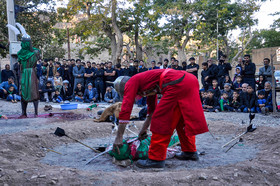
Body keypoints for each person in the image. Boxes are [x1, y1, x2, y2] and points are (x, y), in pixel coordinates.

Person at [113, 69, 208, 169]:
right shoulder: (146, 82)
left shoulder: (131, 82)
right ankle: (189, 151)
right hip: (189, 79)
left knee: (161, 119)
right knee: (181, 118)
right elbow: (151, 110)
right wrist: (143, 130)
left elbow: (125, 110)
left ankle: (156, 159)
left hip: (176, 82)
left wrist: (119, 137)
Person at [17, 32, 41, 118]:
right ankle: (28, 113)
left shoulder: (24, 53)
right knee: (25, 92)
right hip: (27, 73)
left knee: (31, 91)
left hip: (28, 73)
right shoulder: (33, 52)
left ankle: (32, 113)